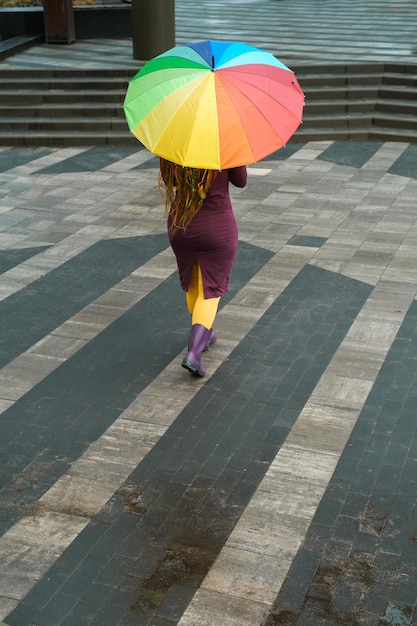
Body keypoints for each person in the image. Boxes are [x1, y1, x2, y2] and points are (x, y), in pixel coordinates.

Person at [159, 158, 248, 377]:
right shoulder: (224, 146)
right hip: (216, 228)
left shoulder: (175, 145)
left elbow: (169, 181)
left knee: (194, 282)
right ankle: (194, 353)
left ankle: (205, 333)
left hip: (181, 224)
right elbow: (241, 181)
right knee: (211, 289)